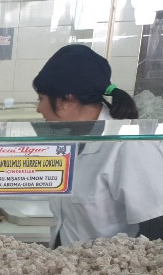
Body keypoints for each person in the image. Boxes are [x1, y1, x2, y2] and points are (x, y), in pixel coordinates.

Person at [32, 44, 163, 247]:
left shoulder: (130, 147)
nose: (39, 109)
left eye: (41, 99)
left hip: (105, 265)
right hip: (66, 260)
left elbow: (156, 228)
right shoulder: (70, 138)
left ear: (67, 99)